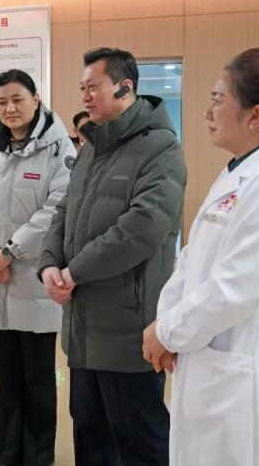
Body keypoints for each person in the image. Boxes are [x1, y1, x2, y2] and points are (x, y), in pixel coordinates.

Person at [142, 47, 259, 466]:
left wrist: (168, 332)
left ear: (255, 116)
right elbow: (191, 260)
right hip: (206, 359)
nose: (208, 112)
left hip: (242, 379)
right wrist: (165, 324)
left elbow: (233, 290)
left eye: (218, 100)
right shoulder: (236, 173)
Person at [38, 47, 186, 466]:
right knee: (90, 432)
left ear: (125, 87)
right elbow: (64, 210)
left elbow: (141, 230)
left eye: (93, 87)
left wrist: (73, 273)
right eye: (81, 88)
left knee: (139, 439)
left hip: (128, 327)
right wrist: (49, 265)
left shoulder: (160, 148)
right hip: (84, 326)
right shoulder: (91, 148)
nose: (85, 96)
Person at [0, 69, 75, 466]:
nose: (9, 108)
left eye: (17, 99)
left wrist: (7, 253)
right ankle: (7, 456)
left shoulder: (59, 149)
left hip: (34, 277)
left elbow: (58, 209)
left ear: (36, 99)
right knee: (7, 378)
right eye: (1, 102)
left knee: (38, 379)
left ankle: (39, 458)